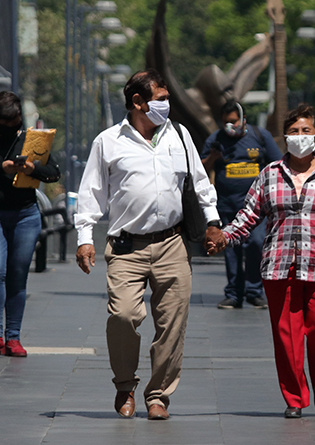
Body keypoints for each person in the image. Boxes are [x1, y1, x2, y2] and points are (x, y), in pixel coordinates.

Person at [75, 69, 226, 421]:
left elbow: (200, 184)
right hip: (126, 247)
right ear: (138, 102)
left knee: (172, 323)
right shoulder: (109, 141)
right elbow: (90, 194)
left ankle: (158, 395)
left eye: (167, 98)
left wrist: (213, 223)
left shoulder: (180, 135)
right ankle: (124, 384)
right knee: (123, 316)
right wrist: (84, 238)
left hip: (173, 243)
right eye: (160, 98)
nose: (167, 104)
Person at [221, 103, 315, 419]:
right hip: (279, 266)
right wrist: (225, 237)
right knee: (287, 335)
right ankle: (295, 398)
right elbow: (248, 215)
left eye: (305, 131)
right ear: (285, 137)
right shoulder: (269, 175)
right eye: (294, 131)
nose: (300, 136)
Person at [0, 91, 61, 358]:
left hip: (25, 214)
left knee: (18, 275)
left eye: (15, 122)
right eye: (4, 123)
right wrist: (0, 168)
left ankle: (13, 337)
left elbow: (54, 173)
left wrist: (33, 170)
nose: (11, 128)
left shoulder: (30, 140)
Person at [201, 100, 282, 309]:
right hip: (227, 205)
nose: (230, 126)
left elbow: (278, 166)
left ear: (243, 119)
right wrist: (213, 157)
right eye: (226, 122)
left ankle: (254, 291)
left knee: (256, 244)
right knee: (230, 249)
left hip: (256, 208)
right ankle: (234, 294)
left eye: (234, 121)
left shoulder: (260, 136)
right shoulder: (215, 139)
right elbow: (200, 170)